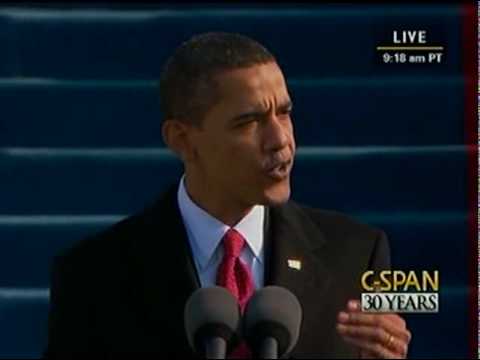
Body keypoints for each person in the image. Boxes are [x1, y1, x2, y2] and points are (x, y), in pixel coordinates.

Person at [45, 32, 411, 358]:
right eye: (248, 122)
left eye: (284, 113)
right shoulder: (92, 276)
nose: (280, 140)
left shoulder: (359, 253)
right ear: (182, 140)